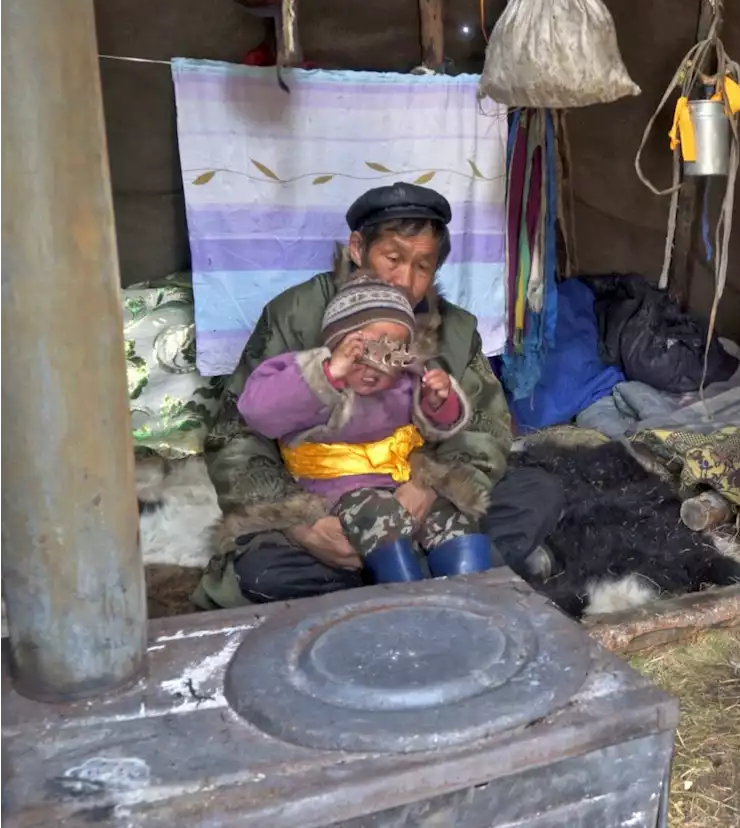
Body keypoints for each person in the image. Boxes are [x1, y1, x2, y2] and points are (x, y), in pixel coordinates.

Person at [194, 183, 564, 609]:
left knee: (538, 490)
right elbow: (237, 434)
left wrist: (429, 487)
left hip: (422, 499)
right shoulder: (294, 315)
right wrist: (303, 524)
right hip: (326, 500)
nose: (405, 280)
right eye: (392, 258)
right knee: (263, 573)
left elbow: (484, 425)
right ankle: (461, 577)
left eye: (422, 266)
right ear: (357, 248)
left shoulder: (455, 329)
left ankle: (408, 582)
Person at [234, 275, 490, 575]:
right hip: (338, 492)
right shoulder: (305, 370)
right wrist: (329, 373)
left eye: (388, 359)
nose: (372, 371)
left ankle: (469, 595)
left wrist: (438, 402)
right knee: (382, 519)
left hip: (403, 484)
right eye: (359, 357)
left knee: (455, 521)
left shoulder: (406, 381)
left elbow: (439, 426)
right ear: (335, 345)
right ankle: (406, 600)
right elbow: (258, 411)